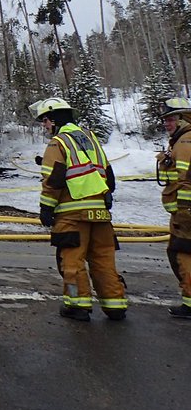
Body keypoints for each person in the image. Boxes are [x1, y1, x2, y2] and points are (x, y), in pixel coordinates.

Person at [32, 96, 127, 321]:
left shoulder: (59, 142)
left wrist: (46, 208)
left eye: (45, 121)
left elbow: (53, 180)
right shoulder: (90, 138)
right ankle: (115, 304)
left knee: (72, 262)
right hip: (101, 213)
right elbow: (108, 176)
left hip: (72, 214)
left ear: (53, 119)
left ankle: (77, 304)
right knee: (103, 260)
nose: (45, 126)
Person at [156, 97, 191, 318]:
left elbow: (186, 180)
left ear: (182, 119)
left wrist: (184, 211)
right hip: (182, 210)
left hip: (185, 213)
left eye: (170, 119)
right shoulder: (180, 141)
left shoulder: (186, 142)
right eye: (165, 120)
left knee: (182, 253)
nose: (166, 124)